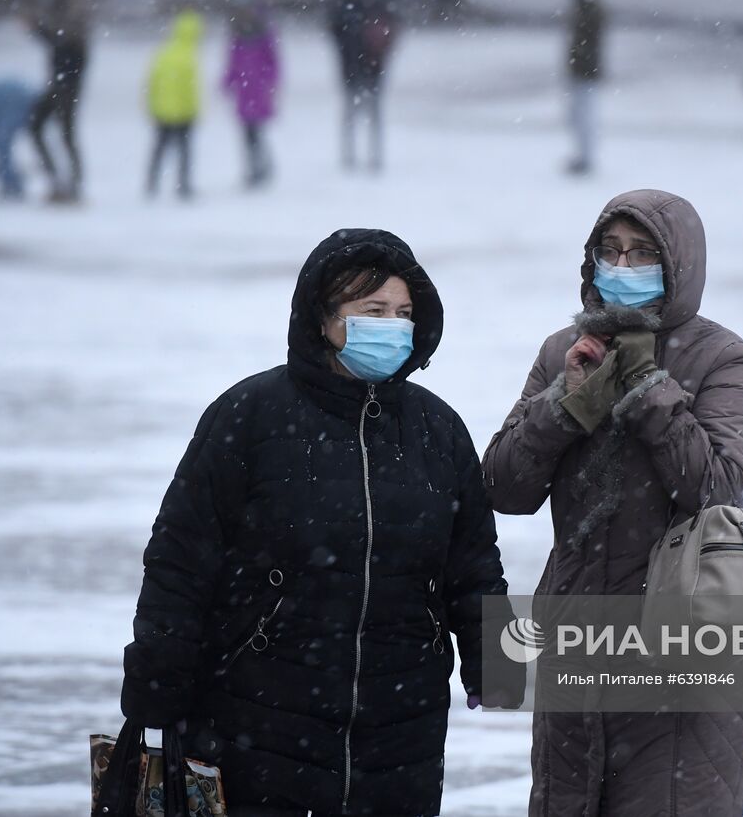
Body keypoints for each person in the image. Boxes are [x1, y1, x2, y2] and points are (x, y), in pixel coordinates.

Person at [120, 228, 525, 817]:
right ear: (324, 319)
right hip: (260, 716)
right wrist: (158, 682)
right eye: (373, 311)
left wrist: (495, 666)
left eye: (404, 313)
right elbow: (181, 560)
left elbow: (473, 565)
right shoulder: (250, 416)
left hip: (401, 725)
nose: (392, 325)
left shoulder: (437, 430)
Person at [482, 189, 743, 817]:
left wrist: (648, 389)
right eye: (610, 253)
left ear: (677, 265)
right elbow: (502, 487)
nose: (622, 268)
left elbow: (714, 492)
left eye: (641, 255)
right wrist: (564, 407)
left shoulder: (721, 356)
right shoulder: (564, 351)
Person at [328, 0, 395, 173]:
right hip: (354, 66)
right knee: (354, 111)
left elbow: (388, 30)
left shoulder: (371, 3)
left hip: (370, 66)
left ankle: (372, 155)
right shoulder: (345, 4)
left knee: (370, 112)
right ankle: (351, 155)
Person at [27, 0, 89, 203]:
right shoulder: (71, 26)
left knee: (64, 134)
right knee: (41, 128)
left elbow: (63, 44)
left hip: (66, 87)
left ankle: (71, 185)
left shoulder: (74, 28)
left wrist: (39, 30)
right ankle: (61, 181)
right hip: (59, 85)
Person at [145, 10, 204, 200]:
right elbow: (190, 89)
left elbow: (152, 82)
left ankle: (152, 182)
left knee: (160, 149)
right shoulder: (189, 57)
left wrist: (152, 105)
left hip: (162, 111)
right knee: (184, 151)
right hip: (183, 113)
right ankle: (183, 185)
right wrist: (194, 109)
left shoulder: (164, 52)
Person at [223, 4, 281, 189]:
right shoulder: (238, 39)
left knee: (256, 133)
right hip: (245, 92)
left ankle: (261, 167)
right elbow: (232, 64)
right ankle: (255, 167)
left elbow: (273, 65)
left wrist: (269, 83)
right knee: (248, 134)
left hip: (258, 91)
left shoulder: (264, 38)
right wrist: (228, 82)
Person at [564, 0, 604, 176]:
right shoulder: (586, 5)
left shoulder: (589, 7)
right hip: (583, 68)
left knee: (583, 115)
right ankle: (583, 156)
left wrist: (581, 58)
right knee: (578, 115)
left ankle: (585, 157)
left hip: (585, 69)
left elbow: (588, 40)